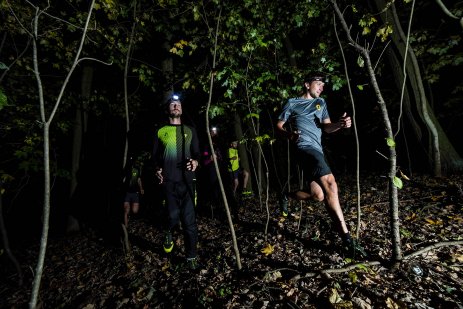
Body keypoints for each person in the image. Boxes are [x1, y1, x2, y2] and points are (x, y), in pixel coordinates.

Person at [276, 73, 366, 258]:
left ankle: (285, 195)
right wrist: (289, 135)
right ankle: (348, 240)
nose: (321, 87)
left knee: (317, 195)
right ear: (307, 84)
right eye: (318, 84)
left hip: (317, 150)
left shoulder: (321, 103)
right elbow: (278, 126)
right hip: (303, 149)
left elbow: (327, 127)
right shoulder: (292, 103)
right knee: (331, 184)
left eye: (323, 85)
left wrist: (340, 125)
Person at [152, 94, 201, 270]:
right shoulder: (160, 131)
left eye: (178, 104)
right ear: (168, 109)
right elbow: (155, 156)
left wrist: (196, 162)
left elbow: (197, 153)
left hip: (188, 182)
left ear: (181, 109)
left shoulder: (189, 130)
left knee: (189, 221)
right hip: (168, 182)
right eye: (172, 104)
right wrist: (157, 169)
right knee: (172, 215)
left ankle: (191, 257)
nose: (175, 106)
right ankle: (168, 231)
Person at [122, 156, 144, 227]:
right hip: (127, 192)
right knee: (126, 211)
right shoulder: (126, 169)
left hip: (135, 193)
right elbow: (123, 179)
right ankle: (126, 227)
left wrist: (141, 188)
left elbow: (139, 180)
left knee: (135, 211)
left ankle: (129, 215)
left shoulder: (137, 169)